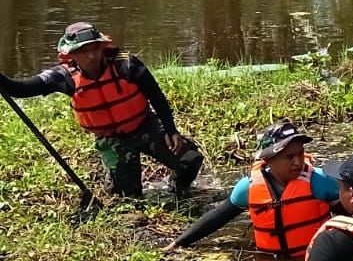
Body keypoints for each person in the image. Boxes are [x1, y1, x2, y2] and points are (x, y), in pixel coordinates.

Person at [0, 22, 202, 197]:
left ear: (102, 47)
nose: (91, 56)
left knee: (190, 159)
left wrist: (171, 130)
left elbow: (156, 97)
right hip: (112, 140)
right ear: (70, 54)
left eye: (95, 48)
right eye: (82, 51)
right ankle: (115, 179)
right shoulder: (63, 76)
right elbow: (19, 89)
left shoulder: (127, 63)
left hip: (146, 125)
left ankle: (177, 187)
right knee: (128, 197)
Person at [162, 121, 340, 256]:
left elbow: (350, 216)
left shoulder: (319, 181)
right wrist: (179, 243)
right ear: (268, 159)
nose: (297, 162)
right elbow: (218, 217)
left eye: (300, 154)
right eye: (289, 157)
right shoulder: (248, 187)